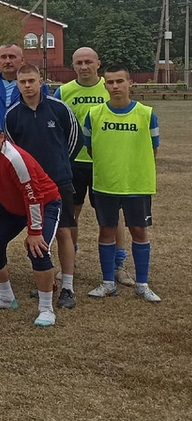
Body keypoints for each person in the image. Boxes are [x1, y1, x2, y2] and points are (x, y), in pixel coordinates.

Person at [0, 118, 63, 327]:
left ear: (1, 137)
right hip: (11, 207)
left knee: (38, 250)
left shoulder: (15, 158)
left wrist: (35, 232)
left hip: (44, 203)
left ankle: (46, 308)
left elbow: (33, 196)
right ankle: (6, 297)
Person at [4, 64, 80, 308]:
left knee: (63, 232)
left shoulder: (59, 108)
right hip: (30, 185)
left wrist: (59, 165)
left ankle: (67, 286)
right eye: (22, 82)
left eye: (31, 80)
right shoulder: (12, 115)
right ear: (17, 84)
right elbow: (11, 150)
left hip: (59, 181)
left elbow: (74, 140)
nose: (27, 85)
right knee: (37, 233)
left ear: (40, 81)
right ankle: (47, 282)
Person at [83, 65, 161, 302]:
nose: (115, 86)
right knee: (106, 231)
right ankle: (108, 282)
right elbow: (90, 148)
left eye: (119, 81)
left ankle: (142, 284)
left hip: (136, 184)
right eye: (110, 82)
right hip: (106, 184)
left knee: (139, 231)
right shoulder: (94, 114)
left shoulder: (146, 114)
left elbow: (154, 148)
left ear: (130, 83)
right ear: (105, 85)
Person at [55, 47, 132, 285]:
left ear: (98, 63)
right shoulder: (63, 91)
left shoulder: (109, 86)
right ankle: (70, 262)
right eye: (79, 62)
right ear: (73, 65)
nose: (84, 66)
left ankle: (118, 265)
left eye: (88, 61)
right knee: (71, 213)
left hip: (105, 163)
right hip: (74, 163)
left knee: (111, 216)